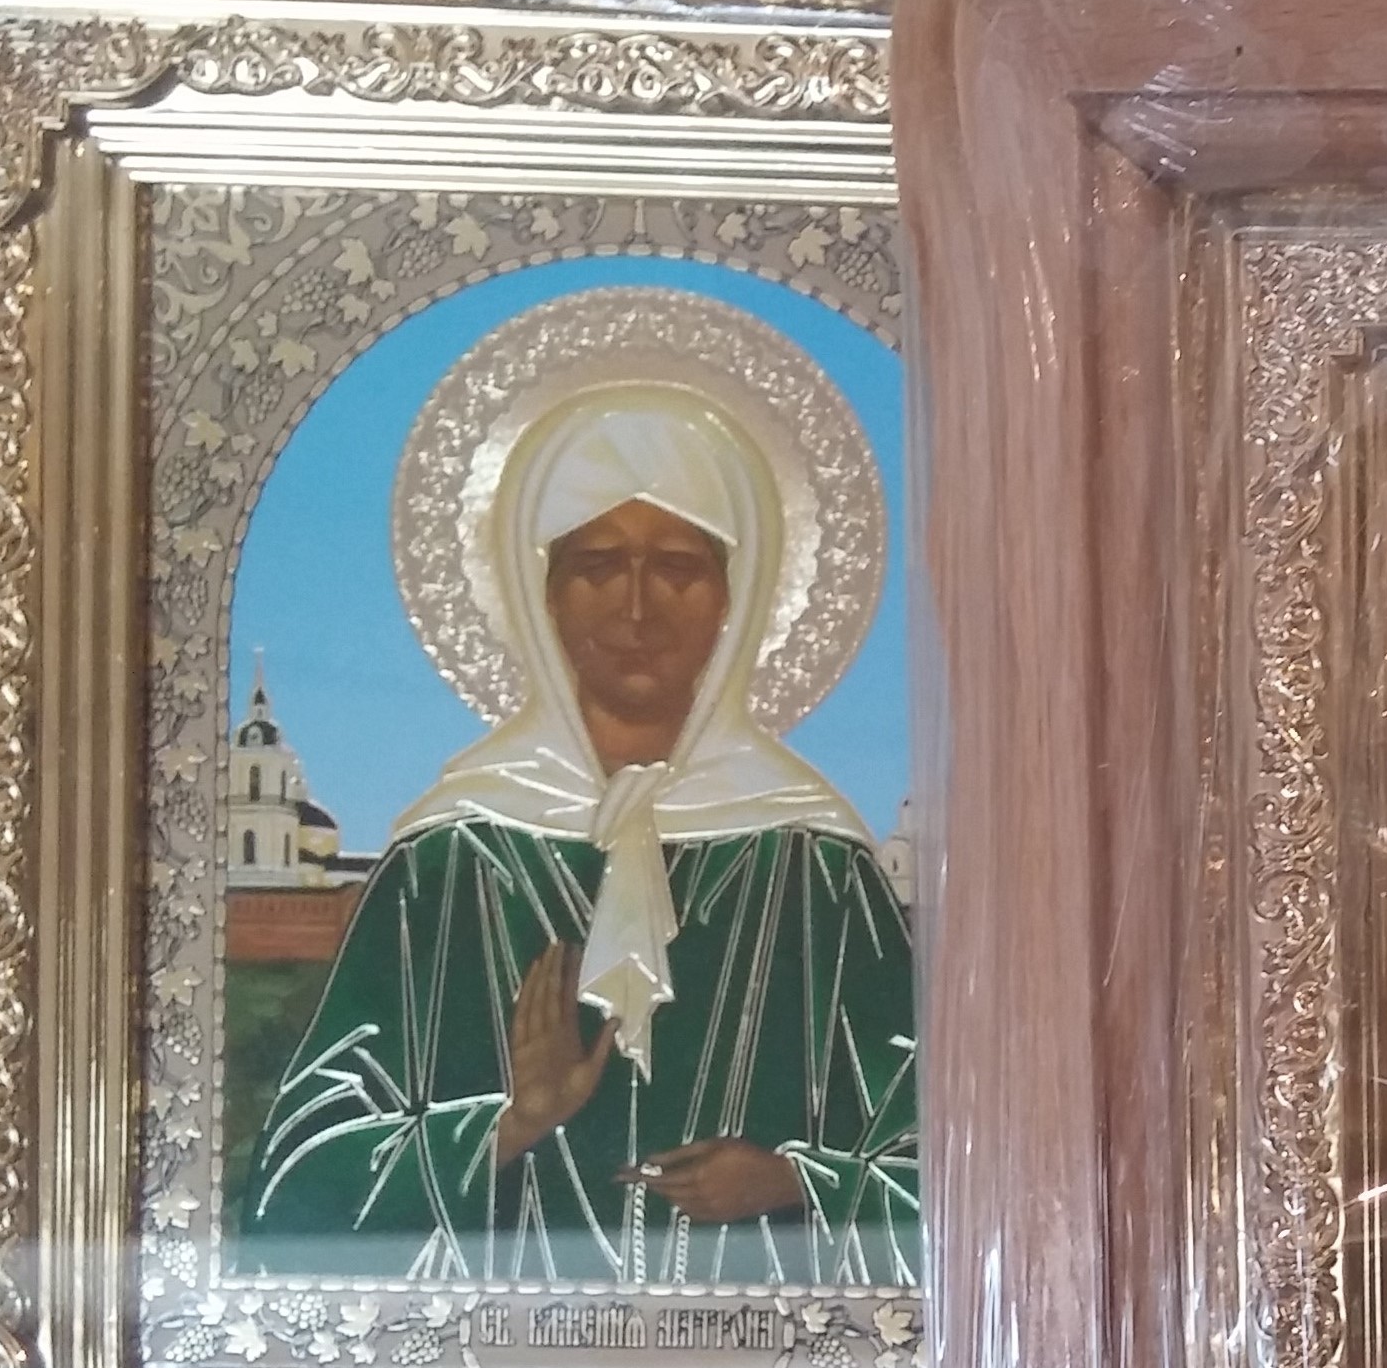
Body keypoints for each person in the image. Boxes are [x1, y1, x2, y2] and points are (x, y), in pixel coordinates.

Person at [238, 385, 918, 1287]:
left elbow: (961, 1175)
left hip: (765, 1352)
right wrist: (506, 1123)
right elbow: (290, 1193)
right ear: (542, 594)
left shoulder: (818, 869)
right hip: (497, 1362)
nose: (636, 608)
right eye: (596, 564)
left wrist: (794, 1183)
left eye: (677, 566)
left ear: (736, 593)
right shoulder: (447, 863)